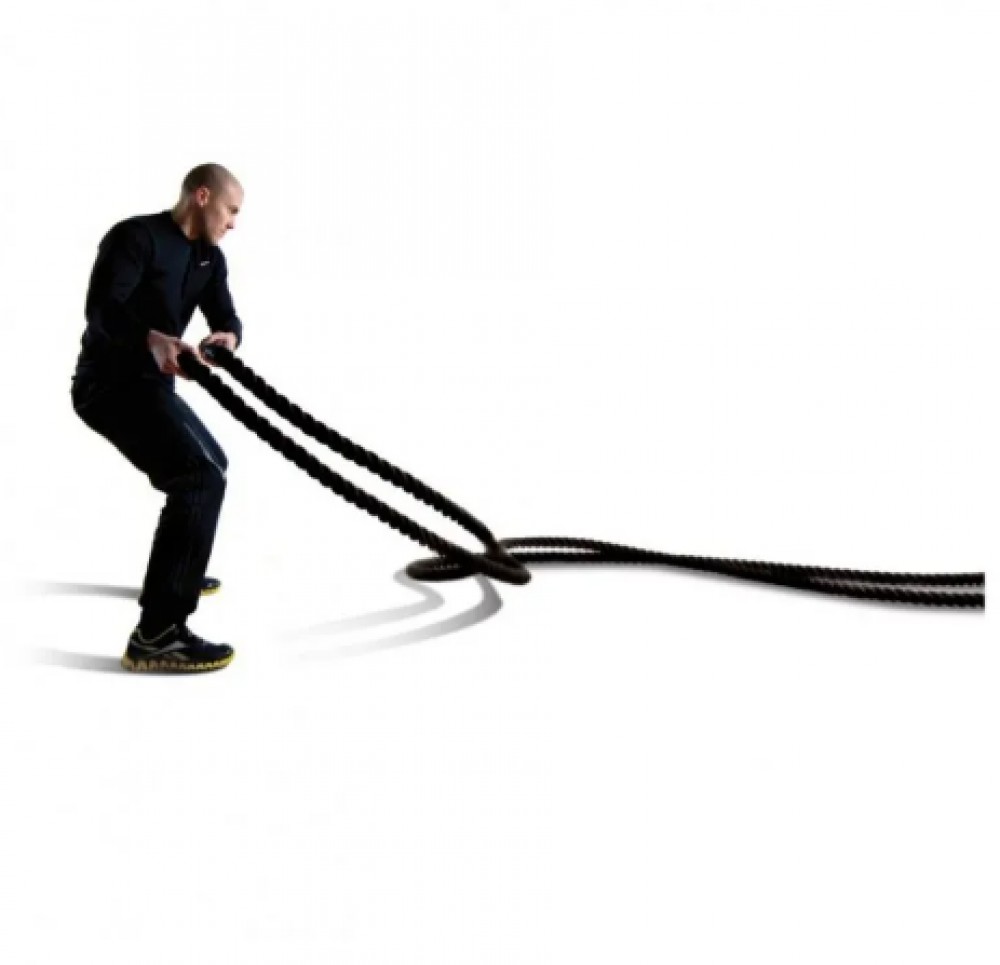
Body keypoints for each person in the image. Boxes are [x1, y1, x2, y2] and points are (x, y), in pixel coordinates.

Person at [70, 163, 245, 673]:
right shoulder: (135, 237)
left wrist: (227, 337)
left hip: (150, 389)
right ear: (202, 196)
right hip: (107, 387)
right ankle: (158, 634)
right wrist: (151, 338)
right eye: (231, 210)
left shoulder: (210, 258)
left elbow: (225, 315)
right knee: (198, 477)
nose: (233, 223)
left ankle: (178, 572)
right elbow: (102, 310)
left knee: (212, 465)